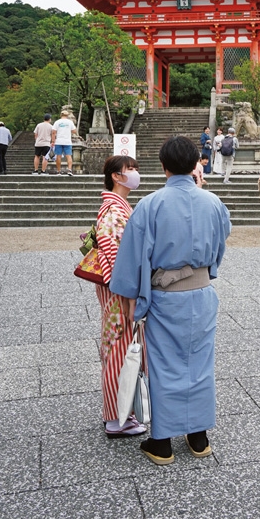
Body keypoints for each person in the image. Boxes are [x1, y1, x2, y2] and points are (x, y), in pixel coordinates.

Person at [109, 135, 231, 465]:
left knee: (164, 366)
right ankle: (198, 437)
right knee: (201, 365)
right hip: (202, 294)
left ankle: (161, 441)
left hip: (165, 297)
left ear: (163, 167)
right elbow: (220, 247)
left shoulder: (150, 204)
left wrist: (130, 298)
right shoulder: (213, 203)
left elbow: (132, 258)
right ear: (195, 165)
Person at [96, 155, 147, 438]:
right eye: (130, 169)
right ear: (116, 176)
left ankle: (119, 413)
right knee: (119, 350)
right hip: (119, 291)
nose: (135, 173)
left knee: (119, 347)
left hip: (117, 288)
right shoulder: (114, 211)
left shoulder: (117, 207)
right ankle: (116, 418)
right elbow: (117, 257)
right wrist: (130, 296)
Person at [51, 109, 77, 175]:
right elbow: (74, 131)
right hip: (67, 141)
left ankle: (58, 171)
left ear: (61, 115)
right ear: (67, 115)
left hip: (59, 141)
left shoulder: (57, 122)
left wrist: (53, 141)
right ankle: (69, 170)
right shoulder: (70, 122)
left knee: (58, 156)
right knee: (69, 156)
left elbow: (53, 132)